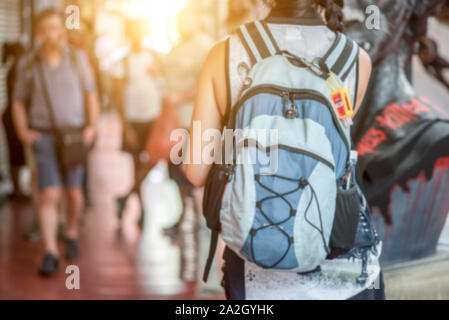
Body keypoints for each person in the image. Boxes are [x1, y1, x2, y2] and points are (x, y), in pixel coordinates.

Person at [185, 0, 384, 300]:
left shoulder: (224, 54)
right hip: (344, 267)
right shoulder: (355, 59)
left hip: (257, 263)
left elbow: (196, 171)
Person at [12, 9, 100, 276]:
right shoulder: (28, 63)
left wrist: (92, 127)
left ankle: (71, 233)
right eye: (49, 28)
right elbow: (17, 100)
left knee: (73, 192)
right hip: (44, 136)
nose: (56, 33)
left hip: (73, 135)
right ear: (40, 34)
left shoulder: (77, 58)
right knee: (48, 193)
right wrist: (23, 132)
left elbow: (91, 93)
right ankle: (50, 250)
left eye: (58, 27)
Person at [113, 20, 164, 228]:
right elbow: (118, 96)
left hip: (153, 117)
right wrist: (126, 127)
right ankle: (141, 210)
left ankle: (125, 198)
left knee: (154, 159)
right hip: (134, 120)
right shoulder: (123, 63)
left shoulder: (153, 58)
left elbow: (162, 85)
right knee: (136, 165)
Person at [1, 43, 27, 202]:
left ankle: (17, 189)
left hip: (12, 116)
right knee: (15, 155)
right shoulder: (17, 69)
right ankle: (16, 190)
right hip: (12, 117)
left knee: (16, 154)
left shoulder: (16, 68)